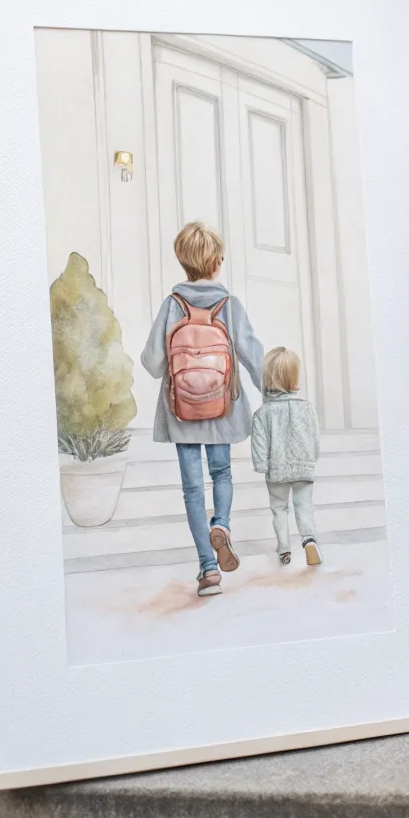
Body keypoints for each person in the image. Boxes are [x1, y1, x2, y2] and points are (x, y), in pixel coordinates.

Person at [141, 221, 264, 595]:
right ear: (215, 262)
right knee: (222, 473)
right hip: (222, 408)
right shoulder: (230, 305)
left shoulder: (171, 305)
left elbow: (152, 363)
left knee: (193, 489)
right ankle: (221, 524)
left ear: (185, 263)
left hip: (182, 412)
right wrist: (271, 390)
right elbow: (252, 354)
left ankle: (208, 570)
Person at [250, 346, 322, 566]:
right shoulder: (307, 408)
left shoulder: (262, 414)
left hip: (277, 469)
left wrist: (262, 465)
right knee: (304, 505)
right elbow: (315, 439)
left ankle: (284, 550)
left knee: (280, 509)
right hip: (303, 466)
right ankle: (309, 540)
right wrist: (312, 458)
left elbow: (259, 445)